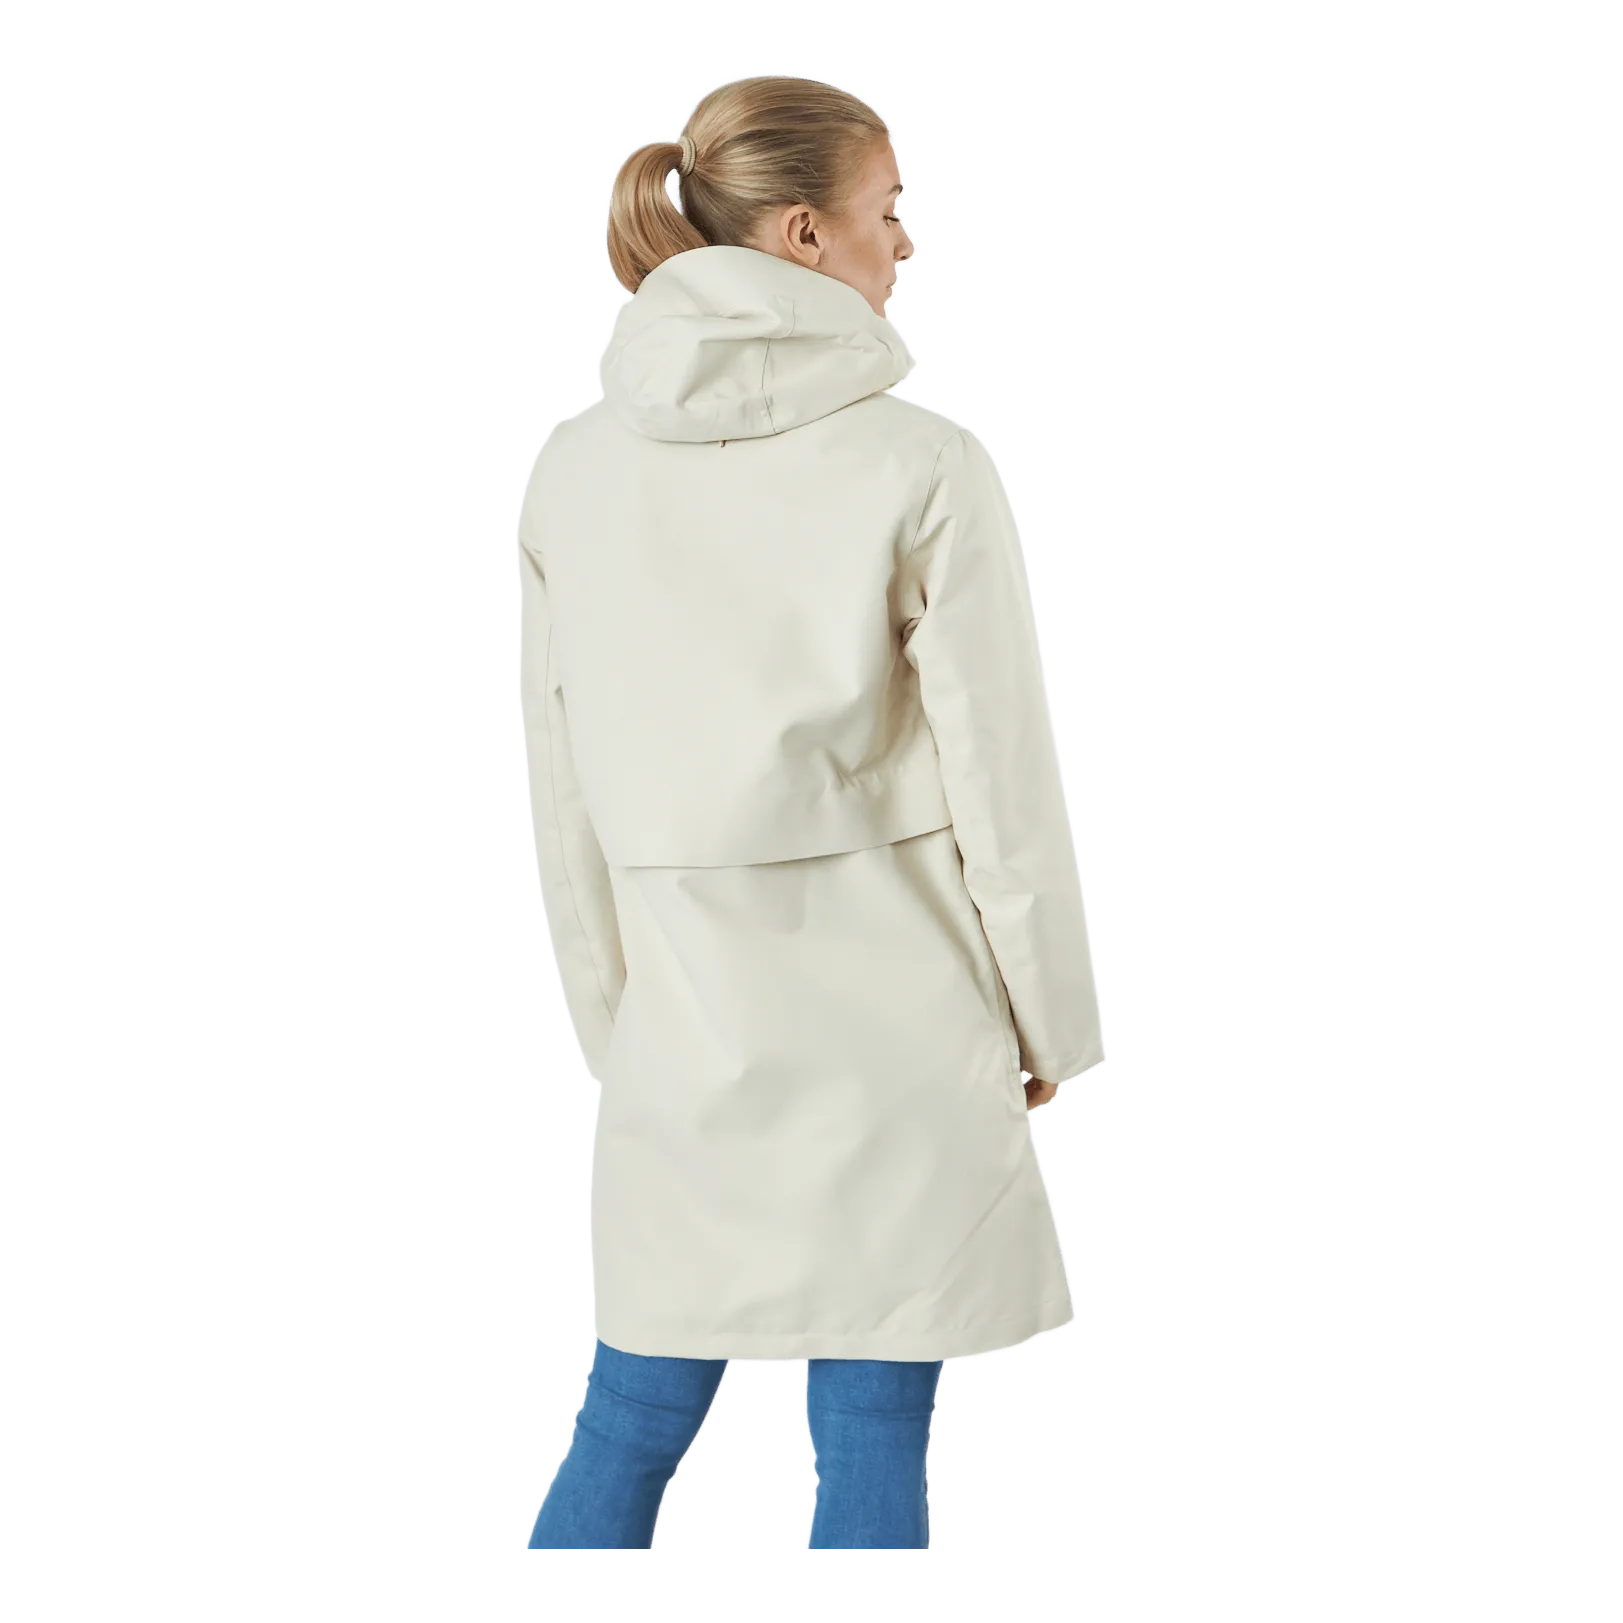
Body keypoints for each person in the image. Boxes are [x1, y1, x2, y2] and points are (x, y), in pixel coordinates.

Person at [519, 74, 1104, 1553]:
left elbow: (561, 794)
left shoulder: (571, 470)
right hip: (898, 1016)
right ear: (801, 234)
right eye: (887, 210)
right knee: (874, 1416)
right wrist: (1049, 1024)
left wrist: (617, 1033)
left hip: (686, 1020)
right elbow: (1003, 783)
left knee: (633, 1406)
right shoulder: (924, 461)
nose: (903, 241)